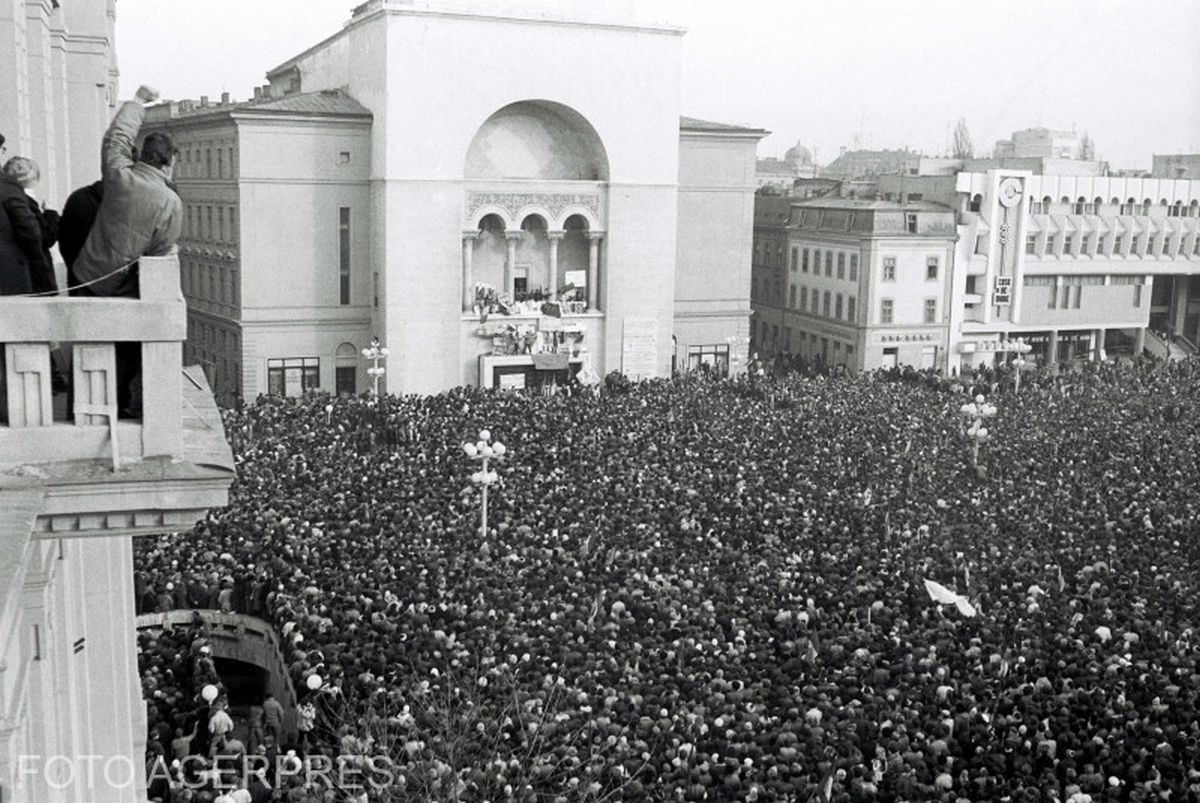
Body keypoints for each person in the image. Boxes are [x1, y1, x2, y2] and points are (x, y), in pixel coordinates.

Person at [72, 84, 181, 416]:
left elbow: (115, 138)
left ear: (141, 155)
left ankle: (85, 410)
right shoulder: (169, 202)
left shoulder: (119, 175)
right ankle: (118, 410)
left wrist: (137, 102)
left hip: (86, 278)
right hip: (125, 290)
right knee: (125, 356)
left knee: (86, 354)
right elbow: (162, 253)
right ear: (169, 162)